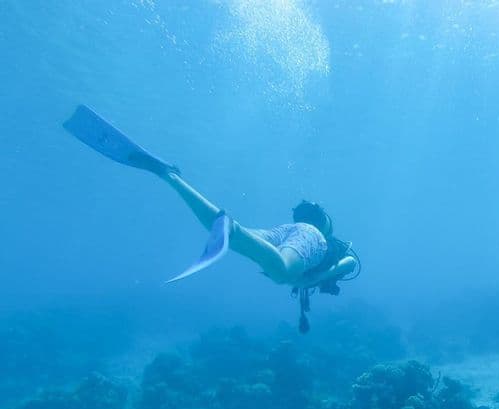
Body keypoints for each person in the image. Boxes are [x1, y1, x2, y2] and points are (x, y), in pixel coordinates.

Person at [63, 105, 359, 332]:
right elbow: (350, 263)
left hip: (285, 232)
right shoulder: (326, 240)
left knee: (232, 237)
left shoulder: (300, 231)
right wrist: (313, 278)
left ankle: (170, 176)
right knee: (283, 272)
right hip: (305, 240)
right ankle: (233, 227)